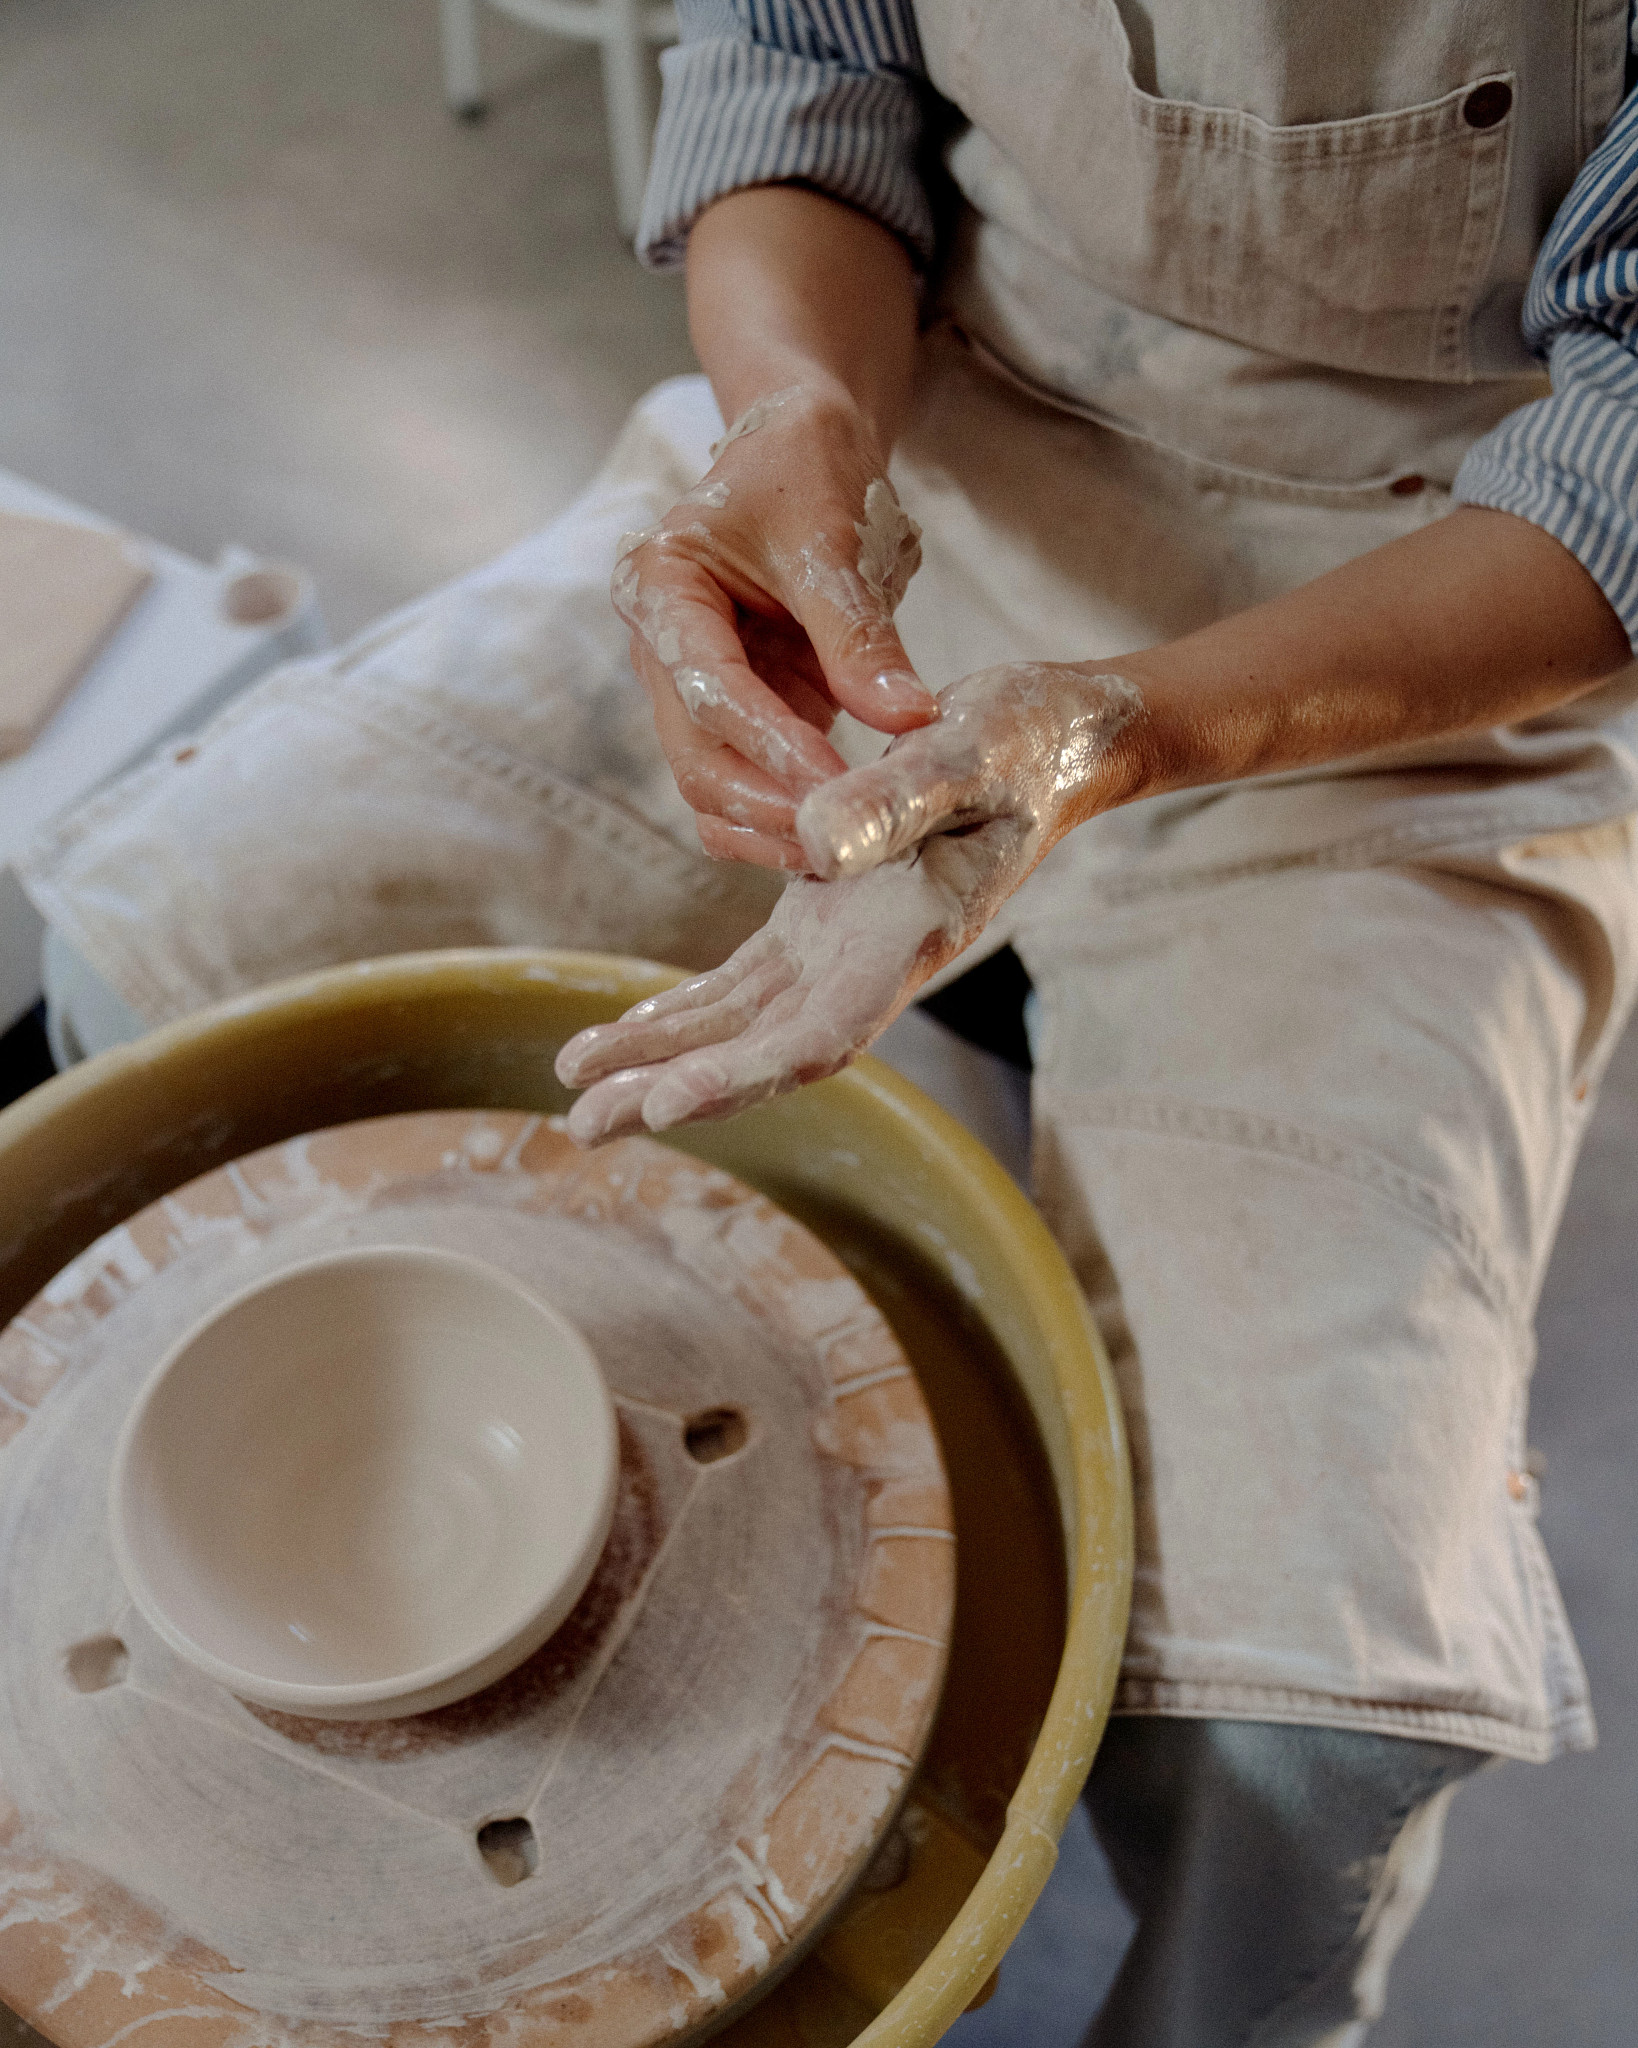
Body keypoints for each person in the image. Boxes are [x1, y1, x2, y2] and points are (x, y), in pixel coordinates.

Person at [22, 3, 1638, 2039]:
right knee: (168, 965)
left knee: (1309, 1740)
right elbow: (802, 70)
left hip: (1408, 625)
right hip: (919, 488)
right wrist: (789, 435)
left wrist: (1126, 730)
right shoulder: (842, 463)